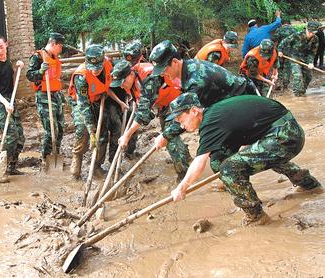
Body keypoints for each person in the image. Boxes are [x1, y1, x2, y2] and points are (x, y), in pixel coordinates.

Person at [169, 93, 322, 226]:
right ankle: (310, 185)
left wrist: (182, 188)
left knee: (229, 168)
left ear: (194, 111)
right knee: (223, 160)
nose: (180, 124)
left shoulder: (210, 122)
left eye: (180, 118)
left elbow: (199, 162)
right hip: (285, 131)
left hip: (286, 136)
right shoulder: (213, 114)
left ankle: (256, 216)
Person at [119, 40, 258, 181]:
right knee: (218, 161)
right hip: (226, 106)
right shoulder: (188, 69)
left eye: (164, 69)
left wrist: (165, 136)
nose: (163, 75)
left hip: (243, 104)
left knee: (220, 159)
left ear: (174, 62)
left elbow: (188, 117)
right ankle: (234, 177)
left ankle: (240, 177)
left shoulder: (196, 81)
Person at [67, 45, 128, 179]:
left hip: (98, 99)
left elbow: (110, 84)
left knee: (103, 134)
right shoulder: (81, 76)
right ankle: (75, 167)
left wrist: (119, 101)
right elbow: (83, 105)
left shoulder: (108, 64)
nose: (95, 71)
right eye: (92, 68)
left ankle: (96, 167)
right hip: (80, 102)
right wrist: (91, 129)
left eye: (98, 68)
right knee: (82, 130)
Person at [0, 35, 25, 179]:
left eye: (1, 47)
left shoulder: (7, 63)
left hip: (10, 99)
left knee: (20, 137)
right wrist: (5, 103)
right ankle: (3, 165)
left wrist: (18, 67)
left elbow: (12, 83)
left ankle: (12, 167)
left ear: (6, 45)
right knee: (11, 135)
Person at [26, 32, 66, 164]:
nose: (61, 49)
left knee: (60, 128)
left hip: (56, 95)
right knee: (51, 129)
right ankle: (46, 158)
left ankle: (56, 155)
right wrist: (40, 71)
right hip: (44, 96)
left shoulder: (55, 57)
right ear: (53, 43)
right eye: (60, 46)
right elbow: (30, 75)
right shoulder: (38, 57)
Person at [278, 22, 322, 97]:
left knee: (308, 76)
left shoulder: (315, 39)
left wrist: (311, 62)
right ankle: (297, 96)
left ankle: (302, 92)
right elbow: (284, 42)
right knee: (297, 76)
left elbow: (312, 52)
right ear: (307, 30)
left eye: (313, 33)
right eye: (310, 32)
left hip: (306, 58)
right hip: (294, 57)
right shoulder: (297, 35)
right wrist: (280, 50)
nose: (311, 34)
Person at [272, 21, 296, 90]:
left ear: (283, 24)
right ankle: (285, 86)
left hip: (280, 51)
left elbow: (274, 39)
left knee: (279, 67)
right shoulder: (294, 30)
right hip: (290, 52)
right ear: (289, 24)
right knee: (287, 69)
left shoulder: (279, 29)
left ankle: (279, 82)